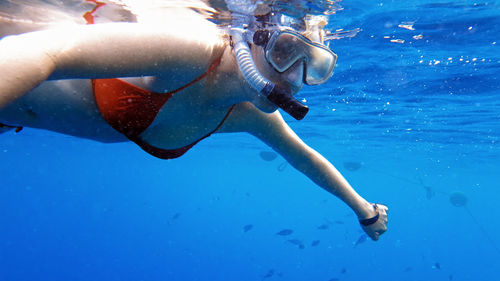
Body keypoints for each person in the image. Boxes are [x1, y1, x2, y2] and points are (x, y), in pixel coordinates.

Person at [0, 2, 388, 240]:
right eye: (286, 52)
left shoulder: (247, 114)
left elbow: (306, 159)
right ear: (249, 37)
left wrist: (364, 210)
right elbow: (46, 51)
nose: (294, 81)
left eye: (315, 67)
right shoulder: (192, 52)